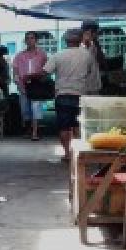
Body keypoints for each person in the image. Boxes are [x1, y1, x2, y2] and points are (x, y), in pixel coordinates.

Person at [44, 28, 100, 162]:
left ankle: (67, 154)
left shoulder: (58, 55)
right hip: (80, 95)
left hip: (62, 95)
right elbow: (92, 74)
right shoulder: (87, 55)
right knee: (78, 125)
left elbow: (46, 72)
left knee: (64, 126)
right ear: (80, 40)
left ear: (65, 41)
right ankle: (78, 152)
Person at [12, 32, 49, 141]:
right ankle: (29, 129)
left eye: (32, 38)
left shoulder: (42, 54)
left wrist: (42, 79)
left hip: (37, 86)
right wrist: (17, 82)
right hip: (23, 86)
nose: (29, 40)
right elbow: (15, 71)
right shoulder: (19, 55)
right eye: (27, 38)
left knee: (36, 108)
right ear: (25, 41)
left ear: (36, 40)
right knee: (25, 111)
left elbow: (46, 70)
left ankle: (35, 132)